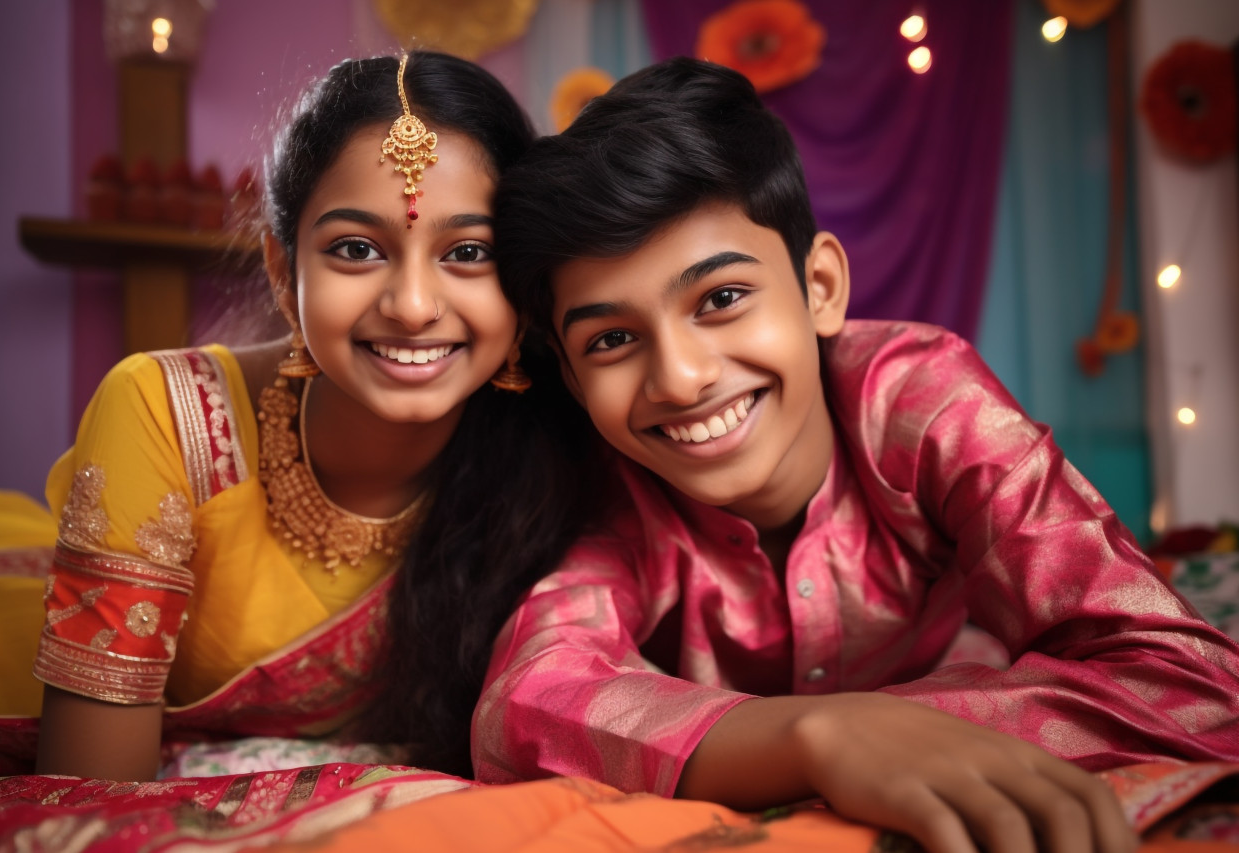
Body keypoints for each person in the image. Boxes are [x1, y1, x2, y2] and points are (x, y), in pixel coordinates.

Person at [473, 57, 1239, 853]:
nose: (680, 377)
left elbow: (1187, 682)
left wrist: (897, 723)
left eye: (722, 298)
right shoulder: (608, 493)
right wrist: (813, 737)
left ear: (822, 288)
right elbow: (524, 703)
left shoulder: (924, 401)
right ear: (570, 372)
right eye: (613, 340)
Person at [0, 50, 589, 782]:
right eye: (356, 249)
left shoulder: (557, 442)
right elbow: (94, 794)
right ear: (283, 271)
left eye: (469, 251)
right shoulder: (165, 414)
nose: (413, 306)